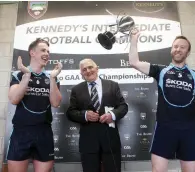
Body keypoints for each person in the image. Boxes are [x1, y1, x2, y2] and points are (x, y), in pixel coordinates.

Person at [129, 29, 195, 172]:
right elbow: (134, 62)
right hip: (165, 127)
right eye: (175, 46)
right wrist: (133, 39)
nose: (178, 49)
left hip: (189, 129)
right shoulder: (161, 71)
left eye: (182, 47)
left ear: (187, 52)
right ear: (171, 50)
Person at [7, 38, 62, 172]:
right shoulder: (18, 74)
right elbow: (14, 99)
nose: (47, 54)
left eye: (48, 51)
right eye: (43, 50)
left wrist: (53, 78)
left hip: (44, 131)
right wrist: (27, 75)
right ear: (32, 52)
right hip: (21, 131)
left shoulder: (51, 77)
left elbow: (55, 103)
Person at [66, 58, 128, 172]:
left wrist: (112, 115)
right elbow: (70, 112)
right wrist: (85, 115)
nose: (88, 71)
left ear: (97, 68)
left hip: (110, 139)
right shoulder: (76, 90)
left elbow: (123, 107)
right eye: (84, 69)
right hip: (88, 142)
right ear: (81, 73)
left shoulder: (112, 85)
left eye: (90, 67)